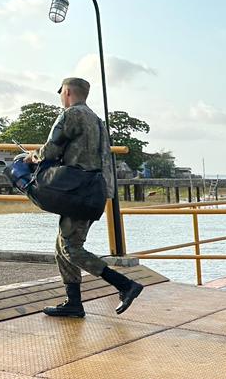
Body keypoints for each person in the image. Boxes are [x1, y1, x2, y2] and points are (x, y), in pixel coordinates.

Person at [25, 77, 143, 318]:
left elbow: (51, 149)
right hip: (94, 190)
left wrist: (31, 157)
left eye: (61, 93)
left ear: (67, 92)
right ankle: (73, 302)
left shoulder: (70, 115)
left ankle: (125, 285)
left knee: (70, 247)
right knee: (62, 246)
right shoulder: (96, 121)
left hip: (78, 191)